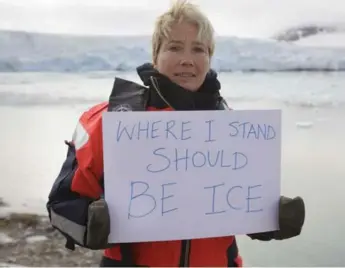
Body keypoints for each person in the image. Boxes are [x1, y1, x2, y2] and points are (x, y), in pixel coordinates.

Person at [46, 0, 305, 267]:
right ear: (156, 55)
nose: (187, 60)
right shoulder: (112, 121)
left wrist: (273, 218)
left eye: (198, 49)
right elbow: (60, 205)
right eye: (174, 47)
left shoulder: (232, 128)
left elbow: (240, 204)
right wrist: (90, 224)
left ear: (209, 57)